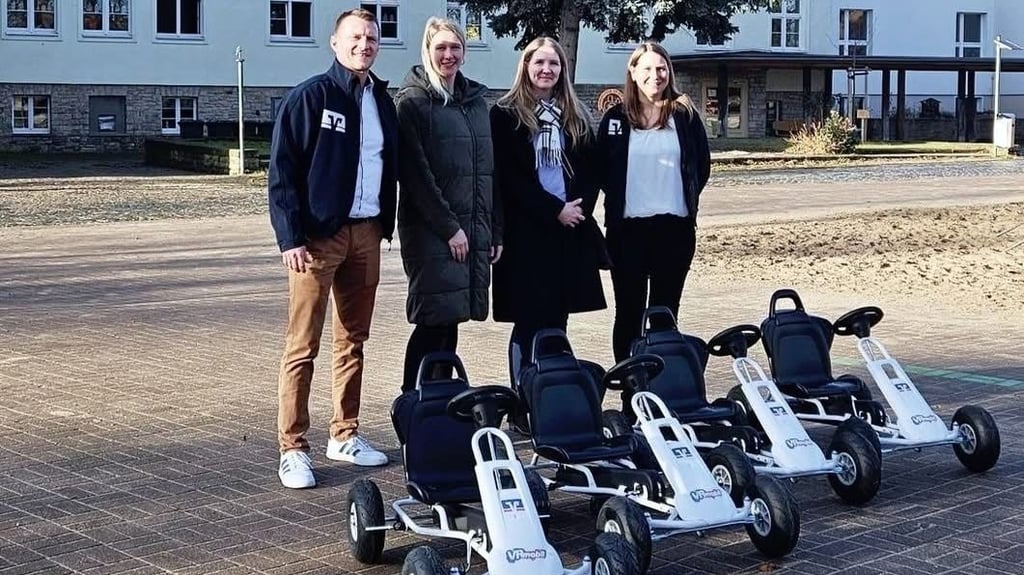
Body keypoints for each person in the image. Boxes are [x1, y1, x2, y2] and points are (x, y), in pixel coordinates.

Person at [268, 8, 398, 489]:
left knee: (354, 341)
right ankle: (292, 447)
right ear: (335, 43)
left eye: (371, 37)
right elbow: (282, 171)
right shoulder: (311, 97)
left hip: (367, 233)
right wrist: (290, 237)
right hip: (318, 240)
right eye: (355, 37)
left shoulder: (382, 100)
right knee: (302, 345)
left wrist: (385, 223)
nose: (364, 44)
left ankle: (344, 433)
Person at [489, 36, 607, 384]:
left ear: (562, 69)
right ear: (525, 66)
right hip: (526, 232)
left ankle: (552, 391)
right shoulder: (505, 114)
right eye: (538, 62)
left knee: (558, 318)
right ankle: (524, 397)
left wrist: (575, 210)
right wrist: (554, 209)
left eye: (553, 63)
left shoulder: (575, 114)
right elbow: (509, 177)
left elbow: (591, 169)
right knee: (529, 320)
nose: (546, 69)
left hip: (569, 230)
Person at [395, 17, 500, 393]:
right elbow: (415, 177)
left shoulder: (475, 103)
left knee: (450, 320)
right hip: (432, 232)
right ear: (427, 51)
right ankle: (414, 406)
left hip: (470, 230)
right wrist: (450, 228)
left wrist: (494, 230)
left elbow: (489, 171)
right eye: (440, 47)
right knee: (432, 321)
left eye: (455, 47)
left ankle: (438, 405)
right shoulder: (413, 103)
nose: (448, 55)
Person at [596, 42, 711, 363]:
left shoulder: (684, 115)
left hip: (674, 230)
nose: (654, 75)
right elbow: (602, 169)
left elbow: (701, 166)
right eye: (646, 68)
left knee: (664, 313)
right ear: (633, 72)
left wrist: (680, 197)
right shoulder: (616, 119)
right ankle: (631, 387)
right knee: (629, 314)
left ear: (669, 72)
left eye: (661, 68)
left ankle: (665, 385)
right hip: (627, 232)